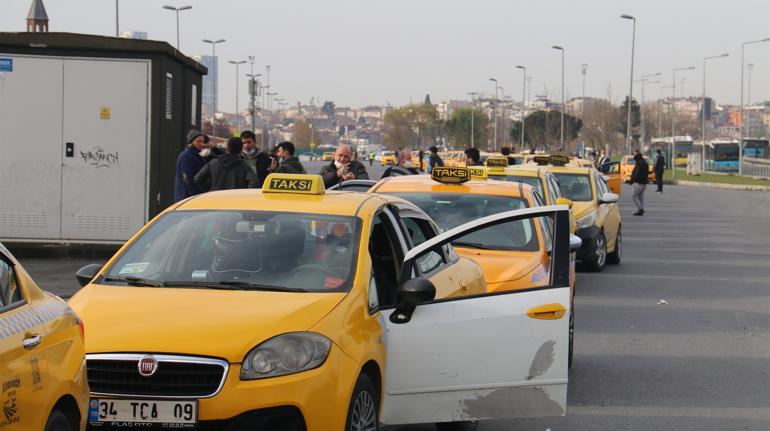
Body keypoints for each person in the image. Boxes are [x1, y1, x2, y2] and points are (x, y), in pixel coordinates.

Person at [174, 129, 210, 202]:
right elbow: (188, 179)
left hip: (194, 196)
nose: (202, 144)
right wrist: (194, 196)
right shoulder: (186, 156)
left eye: (203, 141)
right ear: (191, 142)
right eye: (198, 141)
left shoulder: (198, 155)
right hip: (187, 197)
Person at [630, 151, 649, 216]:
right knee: (641, 197)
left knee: (634, 196)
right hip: (644, 183)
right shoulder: (645, 163)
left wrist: (632, 180)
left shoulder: (639, 164)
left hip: (638, 183)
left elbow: (636, 173)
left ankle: (640, 209)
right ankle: (641, 208)